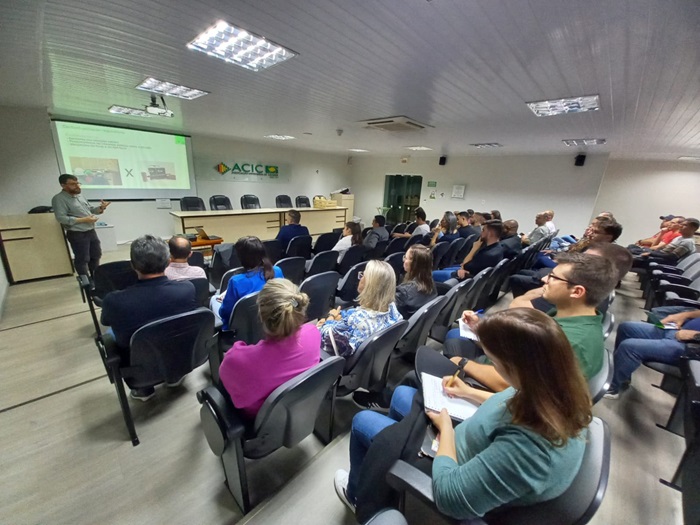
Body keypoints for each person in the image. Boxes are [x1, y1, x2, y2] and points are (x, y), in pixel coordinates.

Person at [334, 308, 591, 520]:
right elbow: (508, 399)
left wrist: (445, 429)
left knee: (362, 422)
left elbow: (451, 498)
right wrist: (468, 391)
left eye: (494, 360)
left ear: (517, 367)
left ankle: (358, 497)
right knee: (404, 395)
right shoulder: (555, 390)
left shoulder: (532, 450)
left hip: (450, 462)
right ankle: (386, 460)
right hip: (470, 439)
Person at [446, 252, 616, 391]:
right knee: (457, 335)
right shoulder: (567, 313)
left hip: (499, 392)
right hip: (506, 362)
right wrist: (480, 329)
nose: (544, 280)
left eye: (553, 278)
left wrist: (462, 363)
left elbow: (510, 386)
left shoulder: (570, 342)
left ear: (577, 292)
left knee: (444, 353)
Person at [100, 234, 198, 401]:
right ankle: (175, 376)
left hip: (140, 371)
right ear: (168, 262)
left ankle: (144, 390)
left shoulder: (114, 301)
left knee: (112, 334)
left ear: (132, 265)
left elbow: (106, 322)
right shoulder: (187, 289)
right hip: (185, 358)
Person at [219, 278, 321, 418]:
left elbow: (226, 380)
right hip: (295, 412)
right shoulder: (313, 333)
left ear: (261, 314)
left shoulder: (238, 360)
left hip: (256, 421)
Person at [605, 309, 700, 399]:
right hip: (679, 330)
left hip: (691, 346)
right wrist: (684, 315)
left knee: (630, 347)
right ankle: (623, 378)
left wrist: (695, 335)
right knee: (625, 328)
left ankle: (610, 388)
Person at [318, 260, 402, 357]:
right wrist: (341, 319)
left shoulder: (357, 320)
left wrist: (329, 320)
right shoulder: (392, 309)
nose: (360, 278)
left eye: (363, 275)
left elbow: (328, 340)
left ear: (370, 285)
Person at [211, 236, 284, 330]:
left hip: (243, 327)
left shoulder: (236, 281)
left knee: (214, 299)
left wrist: (225, 302)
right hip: (272, 321)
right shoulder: (277, 270)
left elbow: (225, 313)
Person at [52, 173, 111, 277]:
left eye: (77, 183)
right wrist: (84, 220)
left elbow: (90, 210)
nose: (77, 186)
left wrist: (101, 208)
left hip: (90, 231)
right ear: (63, 185)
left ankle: (95, 278)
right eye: (73, 184)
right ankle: (86, 282)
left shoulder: (80, 196)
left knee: (96, 255)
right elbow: (61, 218)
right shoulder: (59, 199)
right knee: (83, 258)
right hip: (77, 233)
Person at [433, 220, 504, 284]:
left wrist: (474, 248)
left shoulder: (488, 254)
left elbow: (465, 264)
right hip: (468, 274)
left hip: (464, 279)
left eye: (483, 230)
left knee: (430, 275)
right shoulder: (497, 248)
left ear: (489, 233)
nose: (481, 232)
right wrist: (463, 267)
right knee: (445, 269)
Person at [395, 245, 437, 319]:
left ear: (415, 264)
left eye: (406, 258)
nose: (404, 260)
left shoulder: (403, 292)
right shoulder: (431, 283)